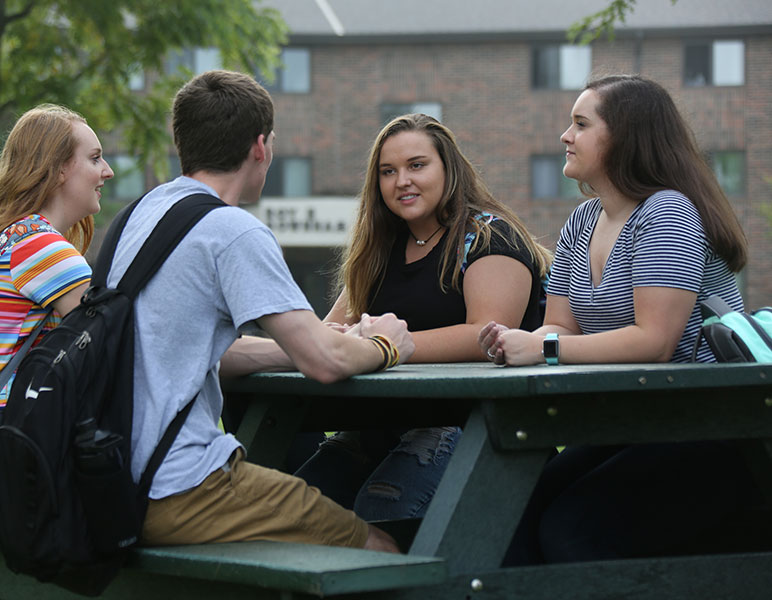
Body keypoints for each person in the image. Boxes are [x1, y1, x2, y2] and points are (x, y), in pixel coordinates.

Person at [105, 70, 415, 553]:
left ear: (181, 141)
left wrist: (296, 347)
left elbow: (202, 353)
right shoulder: (232, 230)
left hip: (108, 478)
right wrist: (384, 346)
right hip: (180, 486)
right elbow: (326, 363)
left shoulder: (139, 215)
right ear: (260, 147)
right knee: (379, 549)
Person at [478, 74, 759, 564]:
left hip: (713, 424)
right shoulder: (584, 220)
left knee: (573, 534)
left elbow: (655, 343)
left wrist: (543, 350)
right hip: (637, 419)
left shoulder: (667, 213)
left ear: (625, 137)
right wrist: (519, 339)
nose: (565, 136)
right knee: (508, 514)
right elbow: (562, 327)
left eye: (581, 124)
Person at [293, 113, 552, 521]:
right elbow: (332, 328)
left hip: (471, 426)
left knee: (379, 511)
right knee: (298, 512)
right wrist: (345, 338)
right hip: (378, 426)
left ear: (449, 168)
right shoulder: (379, 248)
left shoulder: (489, 237)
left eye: (417, 165)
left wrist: (383, 349)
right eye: (388, 171)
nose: (402, 181)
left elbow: (485, 338)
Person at [0, 104, 114, 516]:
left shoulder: (7, 239)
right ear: (59, 169)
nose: (108, 171)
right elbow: (113, 343)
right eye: (96, 158)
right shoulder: (39, 246)